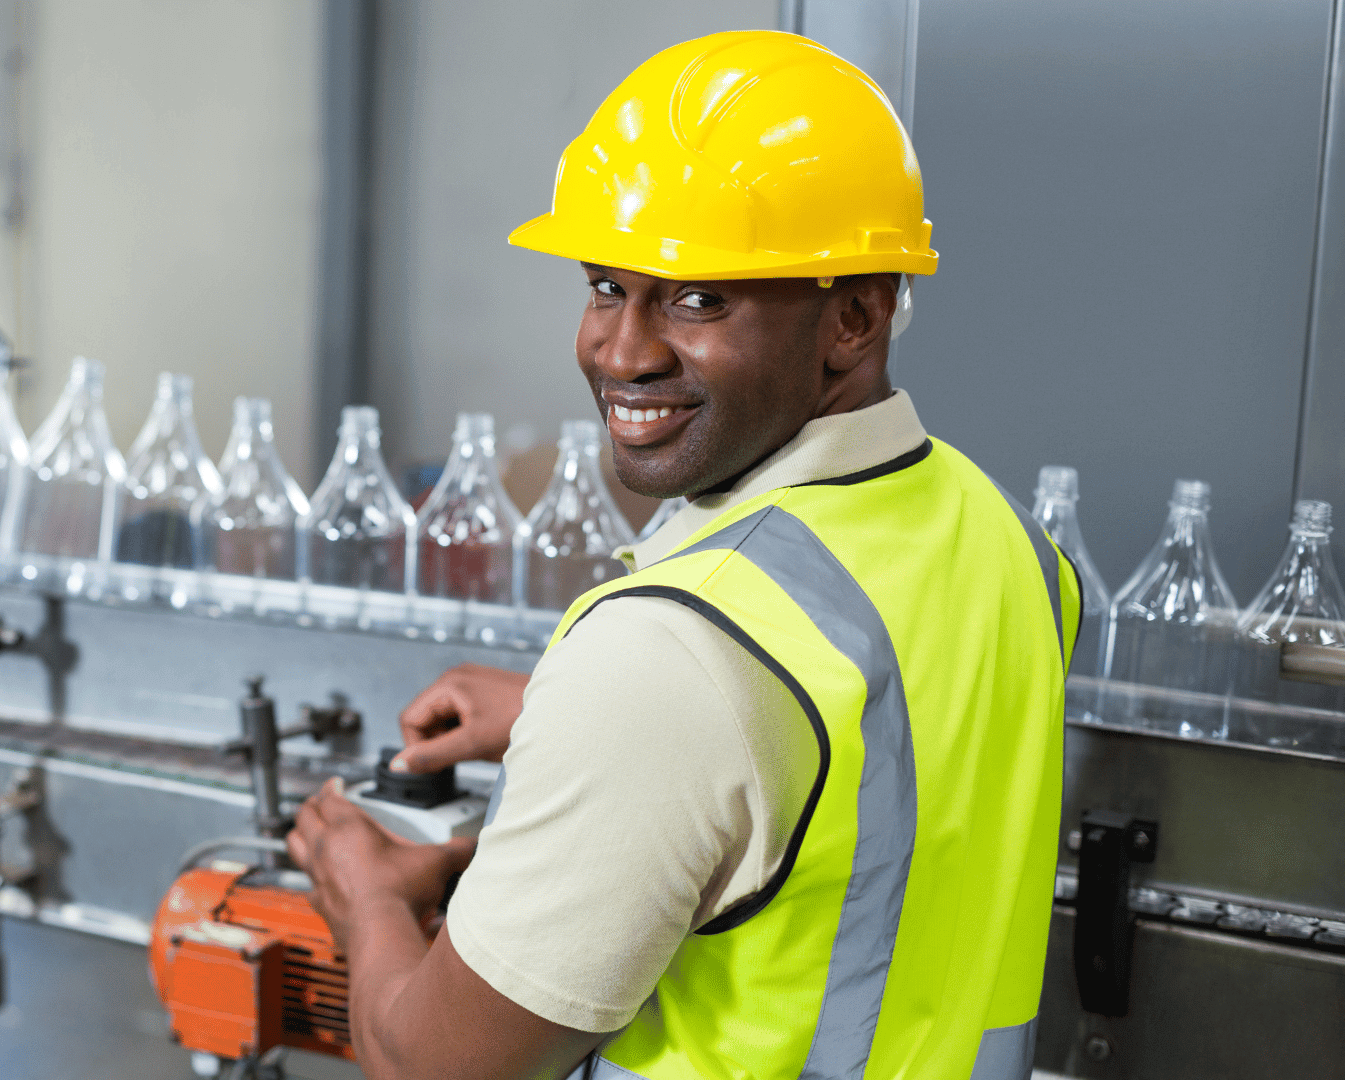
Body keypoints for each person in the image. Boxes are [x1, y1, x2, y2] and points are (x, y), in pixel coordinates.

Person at [287, 31, 1078, 1080]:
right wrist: (556, 713)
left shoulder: (668, 661)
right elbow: (879, 775)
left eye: (699, 298)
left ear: (855, 314)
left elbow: (432, 1065)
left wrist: (367, 895)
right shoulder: (1012, 543)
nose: (621, 351)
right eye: (607, 284)